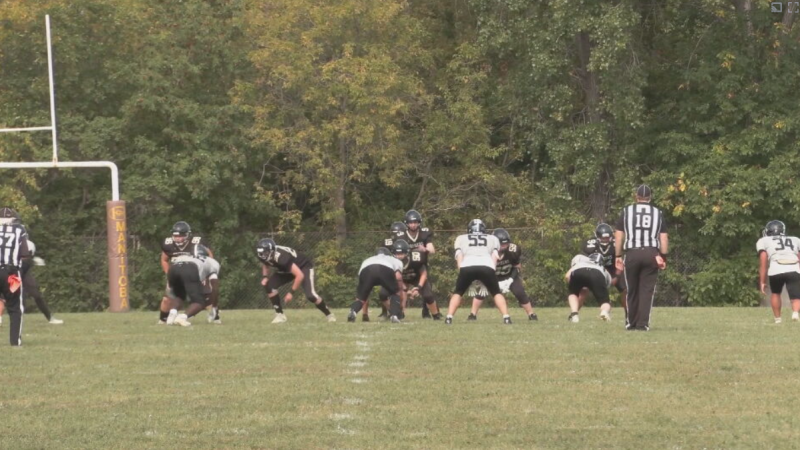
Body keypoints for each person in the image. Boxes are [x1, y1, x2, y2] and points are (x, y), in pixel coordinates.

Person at [614, 184, 668, 331]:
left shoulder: (627, 211)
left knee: (631, 289)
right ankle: (642, 324)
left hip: (632, 252)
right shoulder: (658, 213)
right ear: (649, 198)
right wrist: (663, 256)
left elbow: (619, 236)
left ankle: (631, 322)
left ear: (636, 197)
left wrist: (618, 255)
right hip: (651, 253)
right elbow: (663, 238)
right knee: (646, 290)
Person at [445, 219, 512, 325]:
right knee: (496, 292)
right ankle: (506, 317)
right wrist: (489, 276)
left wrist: (463, 274)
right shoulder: (493, 238)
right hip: (486, 266)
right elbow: (494, 257)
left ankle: (449, 317)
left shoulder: (460, 238)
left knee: (458, 292)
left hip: (467, 266)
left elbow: (459, 257)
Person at [256, 238, 335, 324]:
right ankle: (280, 315)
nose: (263, 255)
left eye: (265, 253)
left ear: (272, 251)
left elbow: (299, 275)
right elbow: (265, 264)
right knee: (269, 286)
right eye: (261, 253)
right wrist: (265, 277)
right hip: (287, 269)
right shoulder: (263, 255)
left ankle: (329, 315)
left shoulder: (282, 257)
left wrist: (291, 292)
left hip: (303, 267)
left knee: (311, 295)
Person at [0, 219, 62, 326]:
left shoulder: (27, 243)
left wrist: (32, 260)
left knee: (36, 294)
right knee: (5, 296)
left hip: (23, 271)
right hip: (10, 271)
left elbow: (26, 259)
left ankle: (50, 317)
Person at [468, 228, 538, 321]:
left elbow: (517, 266)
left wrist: (510, 280)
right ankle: (473, 314)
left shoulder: (514, 250)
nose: (504, 246)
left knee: (519, 292)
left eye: (506, 244)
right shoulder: (487, 251)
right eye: (502, 244)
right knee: (481, 291)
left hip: (509, 275)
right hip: (491, 275)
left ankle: (531, 314)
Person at [157, 221, 212, 324]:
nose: (178, 238)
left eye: (181, 236)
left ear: (188, 235)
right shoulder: (168, 244)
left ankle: (213, 316)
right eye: (176, 236)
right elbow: (164, 260)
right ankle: (163, 319)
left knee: (206, 294)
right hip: (176, 273)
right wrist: (168, 274)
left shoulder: (196, 242)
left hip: (194, 273)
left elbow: (209, 256)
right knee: (167, 299)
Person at [347, 241, 409, 323]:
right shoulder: (393, 259)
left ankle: (353, 311)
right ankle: (394, 315)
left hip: (366, 270)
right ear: (389, 254)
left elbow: (361, 277)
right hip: (385, 269)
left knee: (361, 298)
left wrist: (362, 293)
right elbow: (398, 277)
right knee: (395, 293)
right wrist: (399, 290)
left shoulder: (367, 260)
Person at [378, 242, 442, 320]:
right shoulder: (390, 262)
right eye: (397, 253)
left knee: (428, 295)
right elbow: (393, 278)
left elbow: (424, 274)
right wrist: (405, 289)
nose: (399, 256)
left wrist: (418, 287)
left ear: (407, 252)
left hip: (416, 277)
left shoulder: (416, 258)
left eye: (401, 253)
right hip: (400, 279)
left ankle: (436, 315)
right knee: (383, 293)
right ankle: (395, 312)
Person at [756, 220, 800, 323]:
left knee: (775, 293)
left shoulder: (764, 241)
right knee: (796, 295)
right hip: (793, 267)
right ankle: (795, 313)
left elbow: (763, 261)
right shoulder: (795, 239)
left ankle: (778, 319)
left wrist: (762, 281)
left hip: (776, 268)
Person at [364, 221, 408, 322]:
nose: (398, 235)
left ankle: (400, 311)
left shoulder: (407, 242)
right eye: (396, 232)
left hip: (405, 269)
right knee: (384, 292)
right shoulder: (388, 242)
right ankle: (388, 311)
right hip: (391, 270)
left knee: (401, 289)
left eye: (400, 232)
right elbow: (383, 254)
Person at [580, 223, 626, 318]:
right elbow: (583, 261)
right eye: (603, 238)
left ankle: (629, 313)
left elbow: (620, 262)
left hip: (613, 269)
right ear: (597, 237)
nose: (605, 240)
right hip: (594, 269)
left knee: (626, 289)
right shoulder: (590, 245)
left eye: (607, 238)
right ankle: (574, 312)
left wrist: (616, 277)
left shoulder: (616, 244)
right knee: (583, 289)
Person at [0, 207, 31, 346]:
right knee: (15, 307)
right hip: (11, 273)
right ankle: (14, 342)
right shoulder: (19, 229)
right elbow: (25, 253)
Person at [164, 253, 216, 327]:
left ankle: (172, 313)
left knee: (179, 295)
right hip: (189, 268)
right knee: (199, 302)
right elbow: (211, 284)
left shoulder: (192, 255)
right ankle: (182, 317)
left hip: (173, 267)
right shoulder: (212, 264)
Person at [402, 210, 436, 318]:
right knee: (400, 290)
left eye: (415, 222)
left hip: (421, 266)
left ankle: (427, 311)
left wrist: (425, 249)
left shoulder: (424, 233)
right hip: (405, 267)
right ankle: (398, 312)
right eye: (411, 222)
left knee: (427, 292)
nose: (413, 224)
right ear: (406, 223)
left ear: (419, 222)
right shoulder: (402, 236)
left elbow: (432, 250)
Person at [564, 253, 612, 322]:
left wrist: (573, 287)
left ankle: (574, 314)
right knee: (604, 301)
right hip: (598, 273)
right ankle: (604, 312)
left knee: (573, 293)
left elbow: (567, 276)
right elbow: (605, 287)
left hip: (579, 270)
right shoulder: (605, 270)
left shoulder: (580, 259)